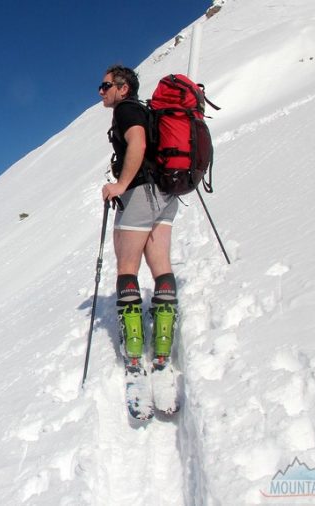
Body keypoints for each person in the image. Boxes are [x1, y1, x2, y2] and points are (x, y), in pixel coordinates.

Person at [99, 65, 178, 369]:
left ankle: (133, 346)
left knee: (127, 268)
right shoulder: (145, 111)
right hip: (165, 195)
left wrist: (120, 184)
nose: (101, 91)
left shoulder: (126, 111)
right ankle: (162, 343)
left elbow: (138, 143)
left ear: (123, 88)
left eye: (106, 85)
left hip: (140, 194)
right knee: (161, 266)